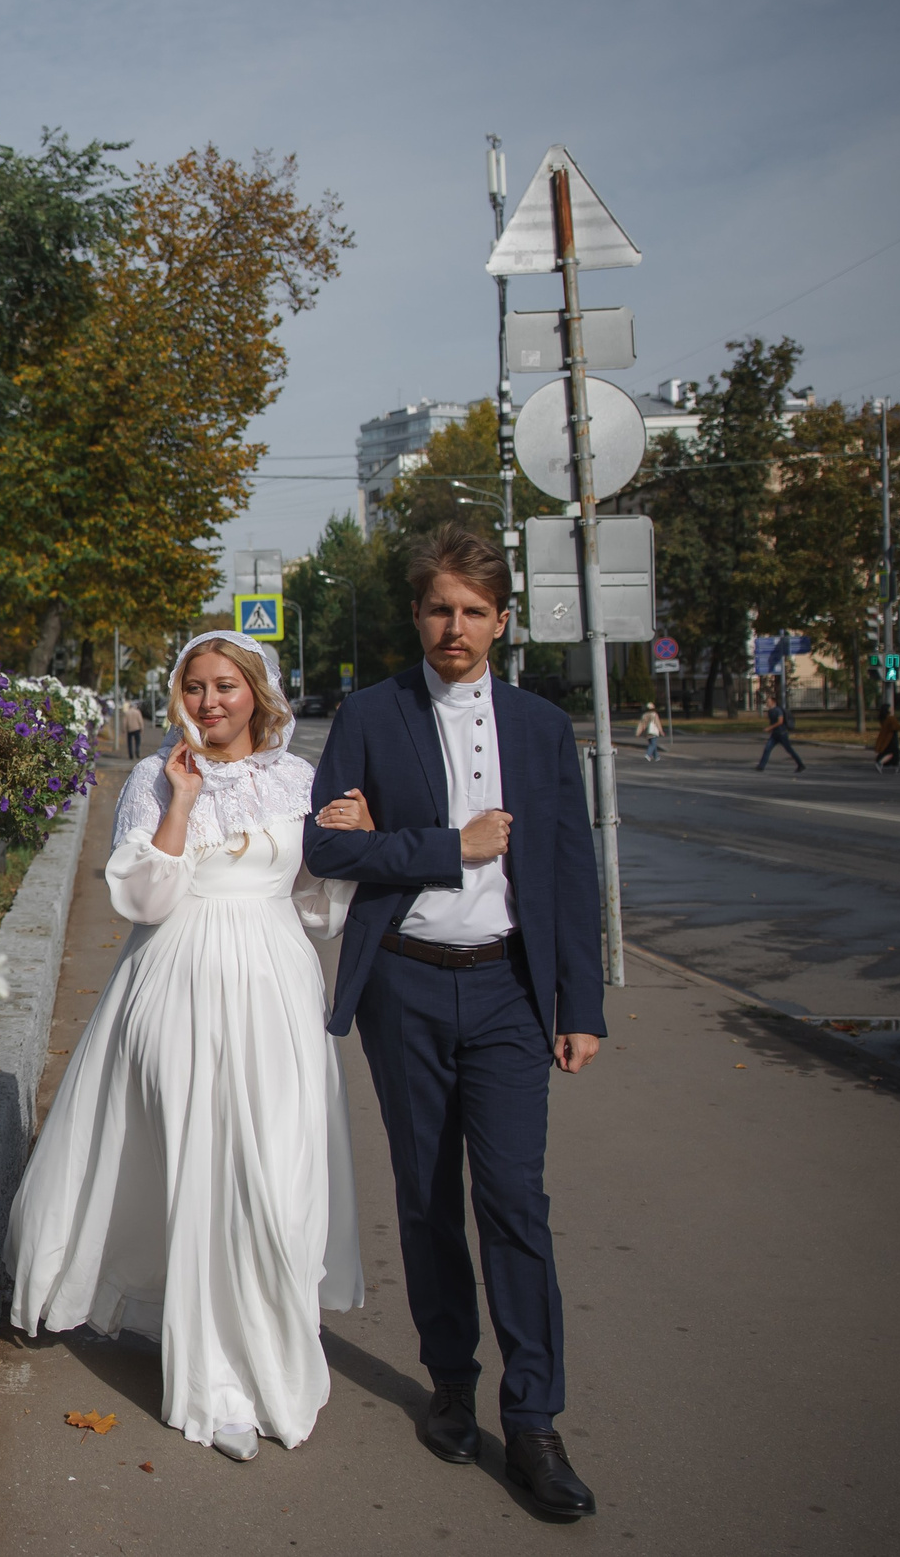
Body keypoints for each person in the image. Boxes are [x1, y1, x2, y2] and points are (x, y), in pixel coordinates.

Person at [303, 527, 604, 1521]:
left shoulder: (538, 727)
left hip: (513, 992)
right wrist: (448, 847)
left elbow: (565, 865)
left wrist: (581, 1006)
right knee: (428, 1196)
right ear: (417, 616)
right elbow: (328, 852)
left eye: (474, 611)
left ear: (501, 621)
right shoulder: (370, 715)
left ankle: (533, 1423)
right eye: (440, 608)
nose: (455, 627)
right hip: (407, 987)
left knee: (515, 1200)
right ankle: (448, 1380)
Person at [7, 630, 365, 1463]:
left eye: (226, 686)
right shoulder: (151, 775)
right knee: (206, 1176)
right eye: (195, 686)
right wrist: (178, 802)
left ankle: (271, 1355)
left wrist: (357, 840)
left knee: (278, 1179)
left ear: (258, 694)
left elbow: (317, 905)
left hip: (275, 992)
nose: (209, 701)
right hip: (177, 990)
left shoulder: (297, 780)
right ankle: (216, 1382)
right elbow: (140, 897)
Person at [757, 694, 804, 773]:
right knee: (767, 749)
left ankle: (800, 765)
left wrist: (770, 728)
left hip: (782, 734)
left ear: (773, 702)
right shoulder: (770, 711)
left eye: (768, 702)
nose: (767, 703)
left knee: (789, 750)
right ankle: (761, 766)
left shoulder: (778, 710)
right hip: (775, 734)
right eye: (767, 702)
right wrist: (771, 729)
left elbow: (780, 722)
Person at [874, 705, 900, 774]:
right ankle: (882, 762)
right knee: (894, 752)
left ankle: (883, 763)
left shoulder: (882, 718)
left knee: (886, 751)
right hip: (891, 737)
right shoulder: (890, 718)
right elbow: (897, 727)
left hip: (885, 736)